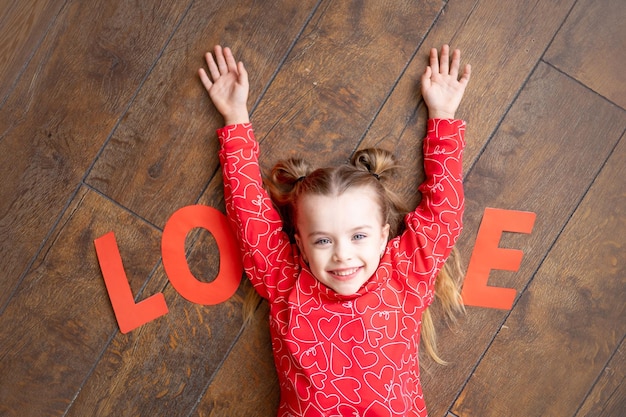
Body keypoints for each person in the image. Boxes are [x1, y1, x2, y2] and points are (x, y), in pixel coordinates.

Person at [199, 44, 471, 416]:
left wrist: (442, 115)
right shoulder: (286, 281)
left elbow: (445, 213)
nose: (342, 253)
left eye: (358, 236)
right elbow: (250, 218)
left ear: (382, 238)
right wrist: (235, 118)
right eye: (324, 240)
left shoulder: (405, 276)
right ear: (300, 245)